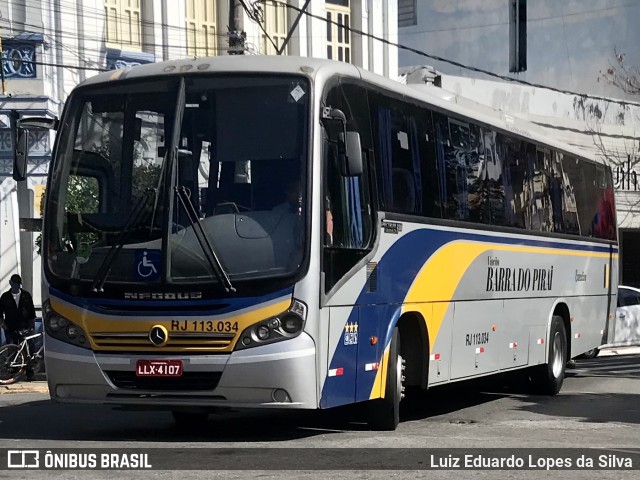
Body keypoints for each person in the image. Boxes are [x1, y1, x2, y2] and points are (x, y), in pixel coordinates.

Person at [0, 274, 37, 380]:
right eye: (14, 284)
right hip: (10, 327)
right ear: (10, 283)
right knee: (12, 349)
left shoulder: (26, 296)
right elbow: (0, 312)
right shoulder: (5, 297)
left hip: (24, 327)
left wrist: (32, 327)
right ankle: (13, 371)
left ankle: (29, 372)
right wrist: (2, 324)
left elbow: (31, 313)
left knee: (28, 349)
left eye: (17, 284)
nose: (15, 286)